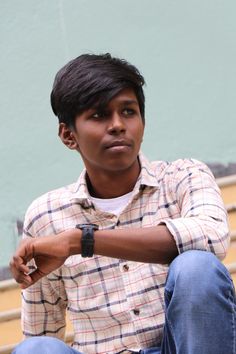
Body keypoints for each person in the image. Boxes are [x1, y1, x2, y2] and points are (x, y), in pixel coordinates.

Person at [10, 53, 235, 354]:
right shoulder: (46, 217)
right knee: (36, 350)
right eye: (99, 115)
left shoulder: (184, 176)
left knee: (196, 266)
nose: (117, 125)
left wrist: (82, 241)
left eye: (128, 111)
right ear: (68, 135)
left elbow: (211, 238)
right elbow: (40, 332)